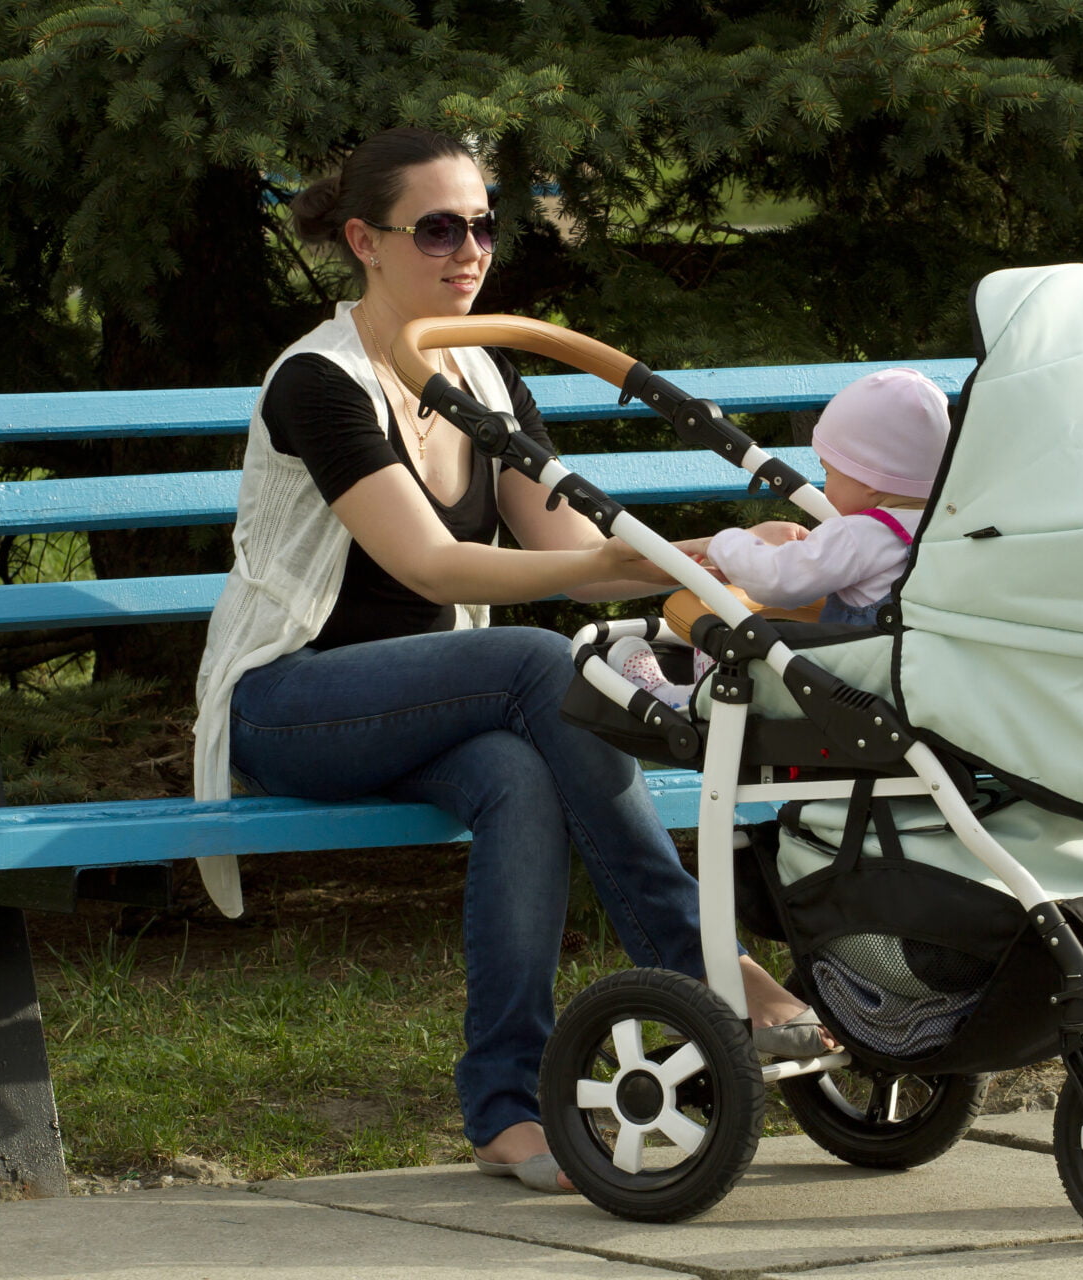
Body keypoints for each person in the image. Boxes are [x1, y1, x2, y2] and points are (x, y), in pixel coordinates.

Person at [189, 127, 826, 1196]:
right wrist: (656, 560)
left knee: (519, 777)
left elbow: (570, 555)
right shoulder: (321, 378)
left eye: (485, 224)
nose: (469, 249)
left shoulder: (478, 371)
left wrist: (721, 559)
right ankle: (706, 959)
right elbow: (433, 563)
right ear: (365, 241)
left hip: (436, 709)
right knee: (538, 663)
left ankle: (505, 1106)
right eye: (439, 227)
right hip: (290, 699)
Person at [607, 367, 950, 707]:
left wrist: (724, 545)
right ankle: (708, 672)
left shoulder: (859, 535)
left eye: (829, 472)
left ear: (870, 479)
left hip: (843, 696)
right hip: (916, 689)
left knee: (747, 663)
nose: (825, 485)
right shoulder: (947, 528)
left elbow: (780, 580)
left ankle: (677, 699)